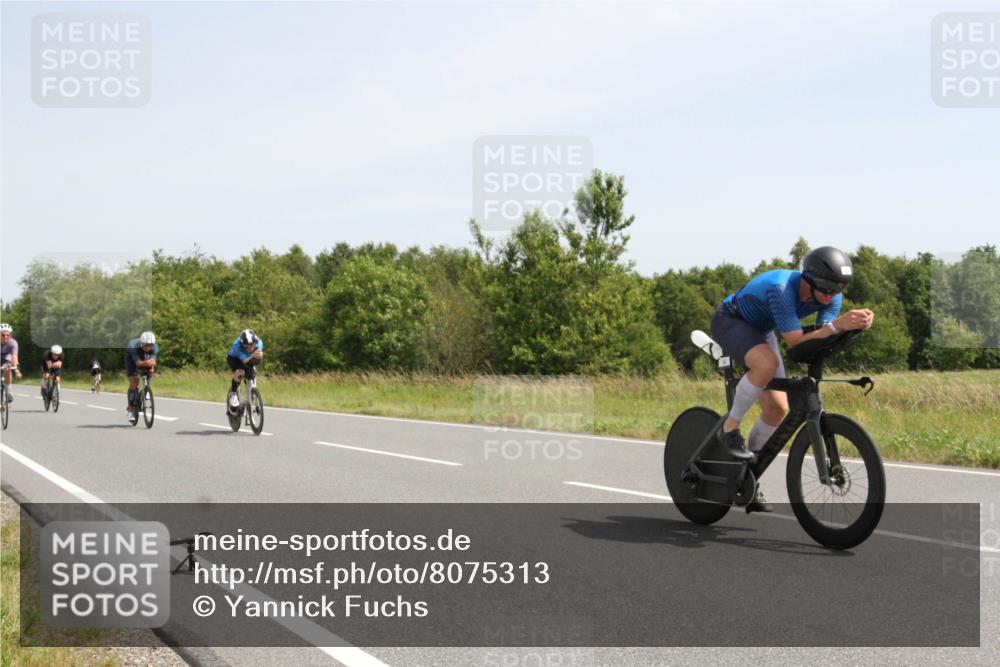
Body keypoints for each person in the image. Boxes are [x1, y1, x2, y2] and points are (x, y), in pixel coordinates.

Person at [710, 246, 875, 512]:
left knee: (778, 409)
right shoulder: (781, 288)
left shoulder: (831, 296)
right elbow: (797, 342)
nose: (832, 295)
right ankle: (730, 427)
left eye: (838, 289)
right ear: (809, 281)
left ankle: (746, 476)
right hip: (731, 321)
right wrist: (837, 326)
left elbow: (821, 336)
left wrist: (852, 327)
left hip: (763, 330)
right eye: (827, 289)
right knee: (767, 364)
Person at [226, 329, 263, 414]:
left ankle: (250, 393)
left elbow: (259, 354)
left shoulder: (259, 342)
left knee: (252, 370)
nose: (250, 348)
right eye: (247, 346)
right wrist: (252, 355)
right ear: (242, 344)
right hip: (235, 359)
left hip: (247, 357)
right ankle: (233, 394)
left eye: (252, 345)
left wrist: (260, 354)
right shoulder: (237, 345)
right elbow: (244, 361)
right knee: (241, 372)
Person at [125, 331, 158, 422]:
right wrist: (147, 362)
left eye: (150, 345)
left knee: (150, 371)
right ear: (141, 344)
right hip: (132, 360)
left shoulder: (154, 347)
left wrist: (151, 365)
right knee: (133, 381)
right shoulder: (133, 347)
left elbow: (153, 361)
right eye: (146, 346)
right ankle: (131, 410)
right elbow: (138, 363)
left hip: (144, 357)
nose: (148, 348)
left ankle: (147, 388)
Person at [1, 323, 21, 403]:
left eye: (8, 335)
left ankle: (8, 392)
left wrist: (16, 370)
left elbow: (14, 356)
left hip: (7, 358)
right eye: (3, 335)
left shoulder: (13, 343)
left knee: (7, 368)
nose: (6, 337)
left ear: (10, 335)